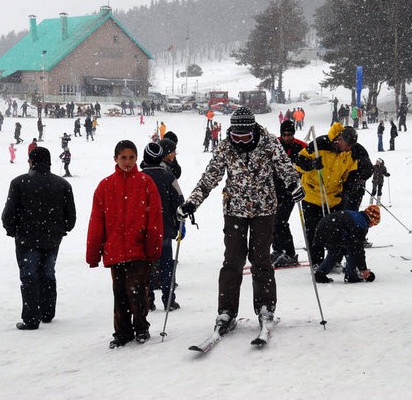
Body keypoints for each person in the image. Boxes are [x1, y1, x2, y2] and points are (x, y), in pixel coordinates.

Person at [176, 107, 302, 335]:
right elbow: (209, 178)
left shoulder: (269, 143)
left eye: (245, 137)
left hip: (264, 209)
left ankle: (265, 307)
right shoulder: (226, 147)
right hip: (235, 210)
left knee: (261, 259)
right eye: (236, 136)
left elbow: (285, 168)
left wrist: (294, 184)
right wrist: (192, 203)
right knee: (233, 260)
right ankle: (226, 311)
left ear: (253, 131)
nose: (240, 141)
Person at [86, 140, 163, 348]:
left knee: (136, 289)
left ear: (137, 158)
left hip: (139, 248)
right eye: (123, 158)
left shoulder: (146, 183)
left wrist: (153, 247)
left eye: (130, 157)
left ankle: (141, 327)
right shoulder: (105, 186)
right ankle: (122, 331)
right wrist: (94, 252)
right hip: (115, 249)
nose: (127, 162)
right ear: (115, 159)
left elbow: (154, 218)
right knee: (119, 292)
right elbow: (97, 222)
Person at [2, 147, 76, 330]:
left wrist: (12, 230)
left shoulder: (19, 183)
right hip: (52, 238)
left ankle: (31, 317)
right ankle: (48, 312)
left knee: (29, 276)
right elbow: (71, 216)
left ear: (31, 162)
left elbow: (8, 214)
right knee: (48, 273)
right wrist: (62, 229)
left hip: (26, 238)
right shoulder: (63, 185)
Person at [295, 123, 358, 266]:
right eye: (347, 144)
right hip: (312, 195)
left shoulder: (348, 153)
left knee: (335, 230)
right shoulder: (319, 144)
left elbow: (350, 172)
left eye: (351, 146)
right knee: (314, 230)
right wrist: (312, 165)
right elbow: (299, 162)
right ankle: (317, 261)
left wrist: (349, 186)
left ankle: (333, 259)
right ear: (340, 139)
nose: (349, 148)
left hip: (334, 197)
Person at [140, 142, 183, 312]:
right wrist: (180, 223)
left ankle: (148, 298)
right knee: (166, 264)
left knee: (147, 265)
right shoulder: (168, 176)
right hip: (164, 228)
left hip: (144, 230)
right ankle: (169, 299)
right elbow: (179, 201)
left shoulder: (140, 178)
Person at [271, 120, 307, 267]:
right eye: (284, 134)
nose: (287, 137)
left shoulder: (301, 146)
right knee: (272, 220)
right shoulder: (274, 144)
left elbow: (308, 163)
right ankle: (278, 249)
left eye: (290, 134)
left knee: (281, 220)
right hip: (274, 188)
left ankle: (290, 253)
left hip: (291, 190)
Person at [313, 205, 381, 283]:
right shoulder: (361, 224)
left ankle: (320, 274)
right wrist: (363, 269)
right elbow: (358, 250)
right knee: (351, 250)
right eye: (373, 224)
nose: (371, 226)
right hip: (333, 231)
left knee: (336, 252)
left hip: (322, 227)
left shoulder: (355, 214)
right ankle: (351, 275)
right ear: (371, 221)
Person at [343, 141, 374, 211]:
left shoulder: (358, 149)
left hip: (355, 190)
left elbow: (369, 168)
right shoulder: (337, 147)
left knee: (350, 214)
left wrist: (360, 180)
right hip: (340, 190)